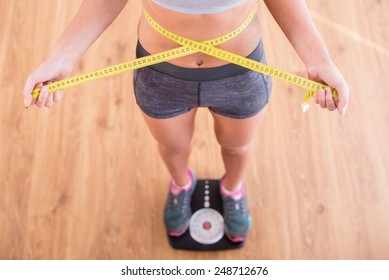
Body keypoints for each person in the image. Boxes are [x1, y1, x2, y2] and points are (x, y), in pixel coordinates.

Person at [22, 0, 349, 243]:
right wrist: (61, 57)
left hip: (241, 74)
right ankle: (180, 184)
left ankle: (233, 189)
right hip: (161, 76)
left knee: (237, 147)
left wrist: (319, 60)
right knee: (173, 146)